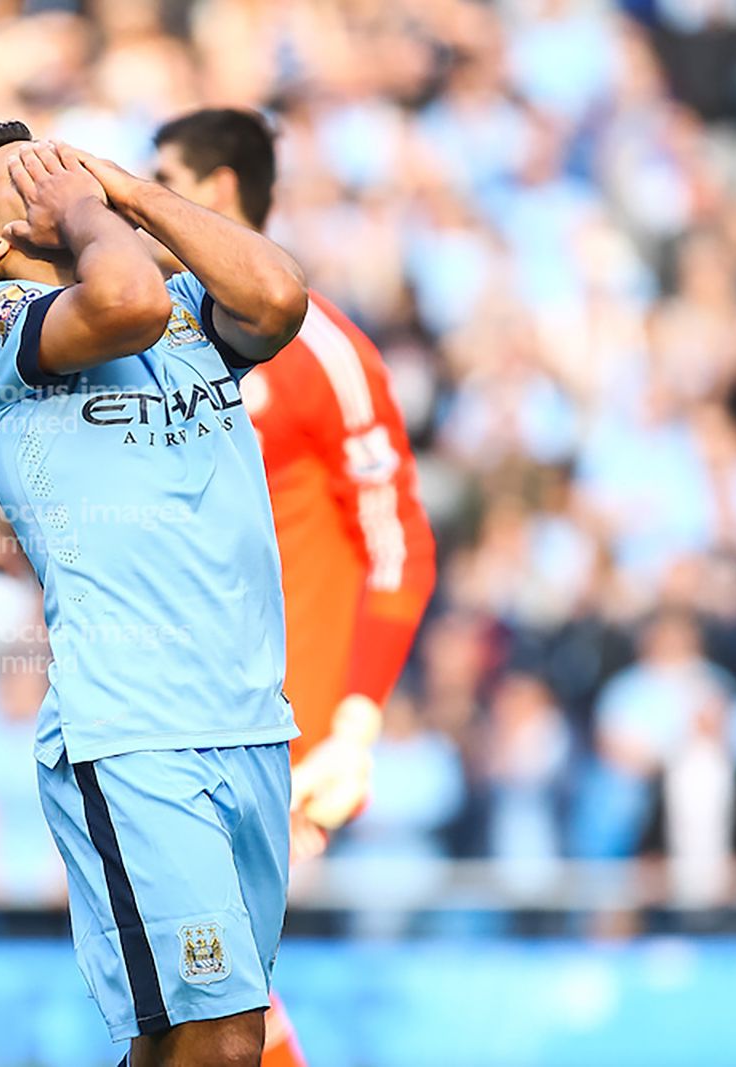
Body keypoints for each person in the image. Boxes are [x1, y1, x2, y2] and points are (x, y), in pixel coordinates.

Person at [0, 122, 308, 1066]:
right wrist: (86, 213)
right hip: (131, 726)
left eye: (66, 157)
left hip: (250, 717)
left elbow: (277, 296)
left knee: (183, 1036)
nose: (61, 172)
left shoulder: (188, 304)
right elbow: (123, 300)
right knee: (226, 1040)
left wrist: (132, 194)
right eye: (28, 174)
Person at [149, 107, 438, 1067]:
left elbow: (399, 542)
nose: (143, 204)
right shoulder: (146, 341)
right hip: (174, 707)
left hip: (283, 723)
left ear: (218, 191)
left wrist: (356, 718)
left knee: (211, 992)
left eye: (163, 178)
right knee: (193, 996)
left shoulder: (322, 348)